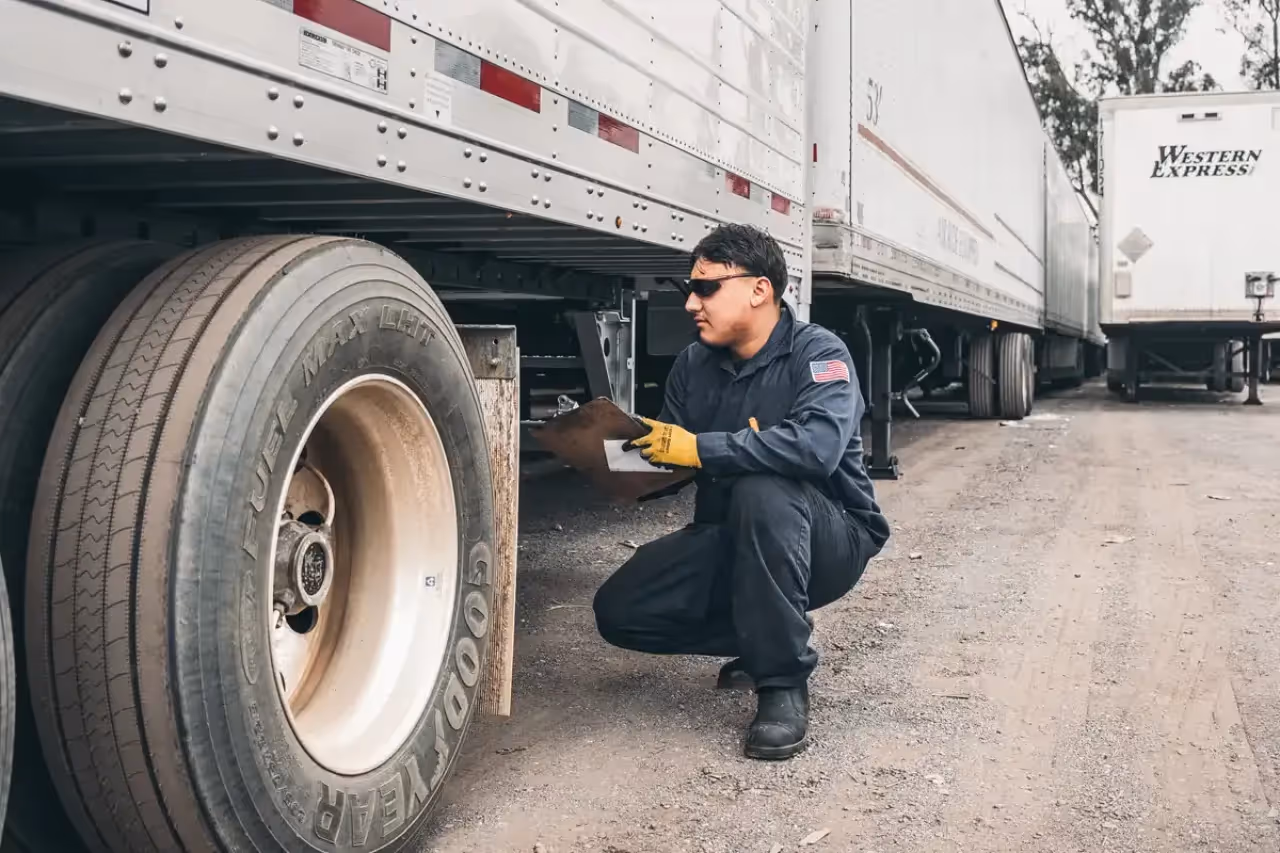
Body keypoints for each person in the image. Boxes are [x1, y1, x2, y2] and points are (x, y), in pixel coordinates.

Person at [592, 223, 891, 760]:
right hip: (730, 535)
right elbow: (674, 456)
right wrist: (615, 457)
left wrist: (699, 449)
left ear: (759, 290)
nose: (690, 303)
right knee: (619, 609)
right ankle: (768, 632)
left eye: (706, 288)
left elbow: (817, 448)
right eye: (689, 289)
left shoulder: (819, 354)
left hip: (829, 540)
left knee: (764, 484)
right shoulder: (694, 364)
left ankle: (780, 681)